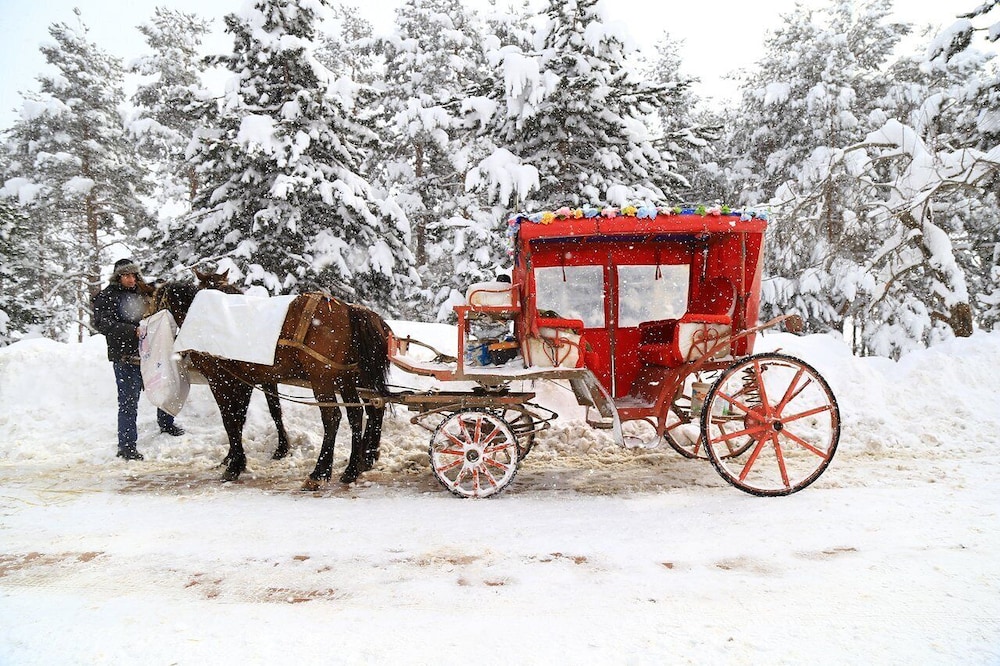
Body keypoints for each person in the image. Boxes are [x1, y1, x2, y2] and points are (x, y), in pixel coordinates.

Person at [92, 258, 184, 460]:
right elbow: (102, 323)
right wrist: (131, 331)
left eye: (133, 275)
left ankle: (166, 424)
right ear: (118, 277)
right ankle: (126, 446)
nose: (131, 279)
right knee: (128, 402)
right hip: (126, 357)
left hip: (151, 355)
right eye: (126, 275)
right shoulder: (106, 297)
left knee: (163, 388)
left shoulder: (143, 292)